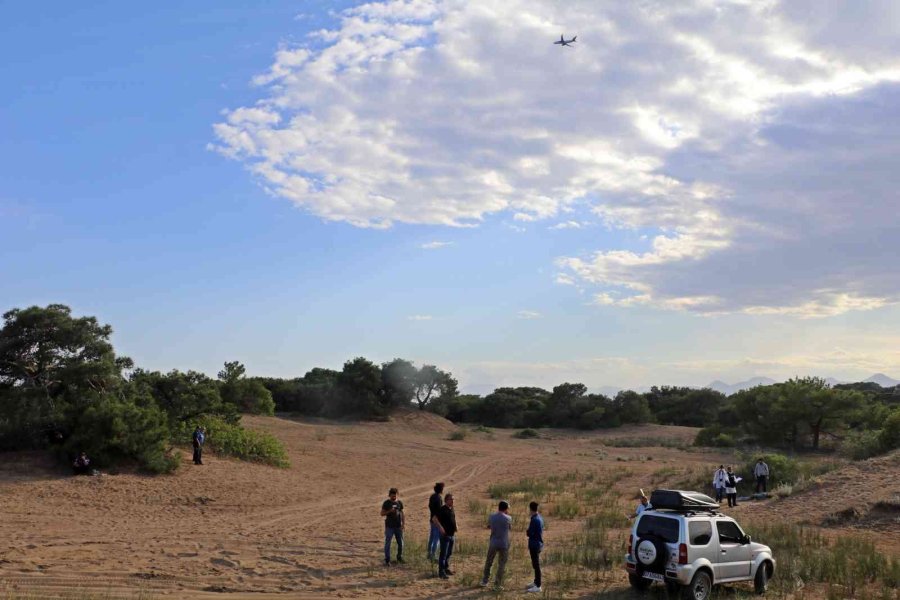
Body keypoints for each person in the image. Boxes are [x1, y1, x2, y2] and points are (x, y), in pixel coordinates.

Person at [480, 500, 512, 590]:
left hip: (493, 542)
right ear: (505, 508)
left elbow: (489, 526)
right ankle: (497, 584)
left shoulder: (492, 516)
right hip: (504, 543)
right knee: (501, 564)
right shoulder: (509, 518)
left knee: (489, 561)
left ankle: (485, 580)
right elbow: (509, 528)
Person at [432, 492, 457, 579]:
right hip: (445, 535)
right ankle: (441, 572)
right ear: (446, 500)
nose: (453, 501)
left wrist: (456, 526)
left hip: (452, 535)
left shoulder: (451, 508)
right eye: (451, 499)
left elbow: (453, 518)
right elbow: (434, 519)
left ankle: (446, 568)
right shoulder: (442, 509)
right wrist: (440, 528)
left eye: (453, 499)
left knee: (449, 553)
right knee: (443, 554)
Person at [380, 487, 404, 566]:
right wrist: (390, 511)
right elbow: (382, 513)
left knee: (401, 543)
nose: (394, 497)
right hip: (389, 526)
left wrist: (403, 524)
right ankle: (387, 560)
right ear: (389, 495)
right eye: (392, 496)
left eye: (395, 496)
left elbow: (402, 513)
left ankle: (399, 558)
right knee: (388, 543)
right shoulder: (386, 503)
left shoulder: (399, 502)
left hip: (398, 526)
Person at [525, 501, 544, 593]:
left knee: (536, 565)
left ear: (530, 509)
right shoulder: (540, 517)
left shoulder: (534, 520)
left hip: (534, 544)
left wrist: (527, 531)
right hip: (538, 543)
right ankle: (536, 582)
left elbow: (530, 533)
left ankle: (538, 586)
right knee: (535, 564)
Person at [427, 482, 445, 561]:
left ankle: (429, 554)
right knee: (436, 539)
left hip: (432, 518)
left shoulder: (432, 496)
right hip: (437, 520)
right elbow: (439, 510)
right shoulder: (439, 498)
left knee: (431, 537)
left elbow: (430, 507)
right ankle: (433, 556)